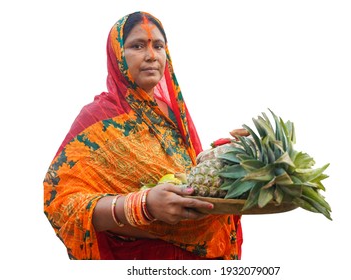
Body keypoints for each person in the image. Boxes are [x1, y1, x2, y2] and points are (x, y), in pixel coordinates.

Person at [43, 11, 242, 260]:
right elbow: (61, 202)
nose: (151, 56)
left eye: (158, 46)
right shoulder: (98, 119)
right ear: (117, 55)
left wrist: (233, 154)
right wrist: (144, 205)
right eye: (138, 46)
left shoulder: (170, 113)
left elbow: (188, 174)